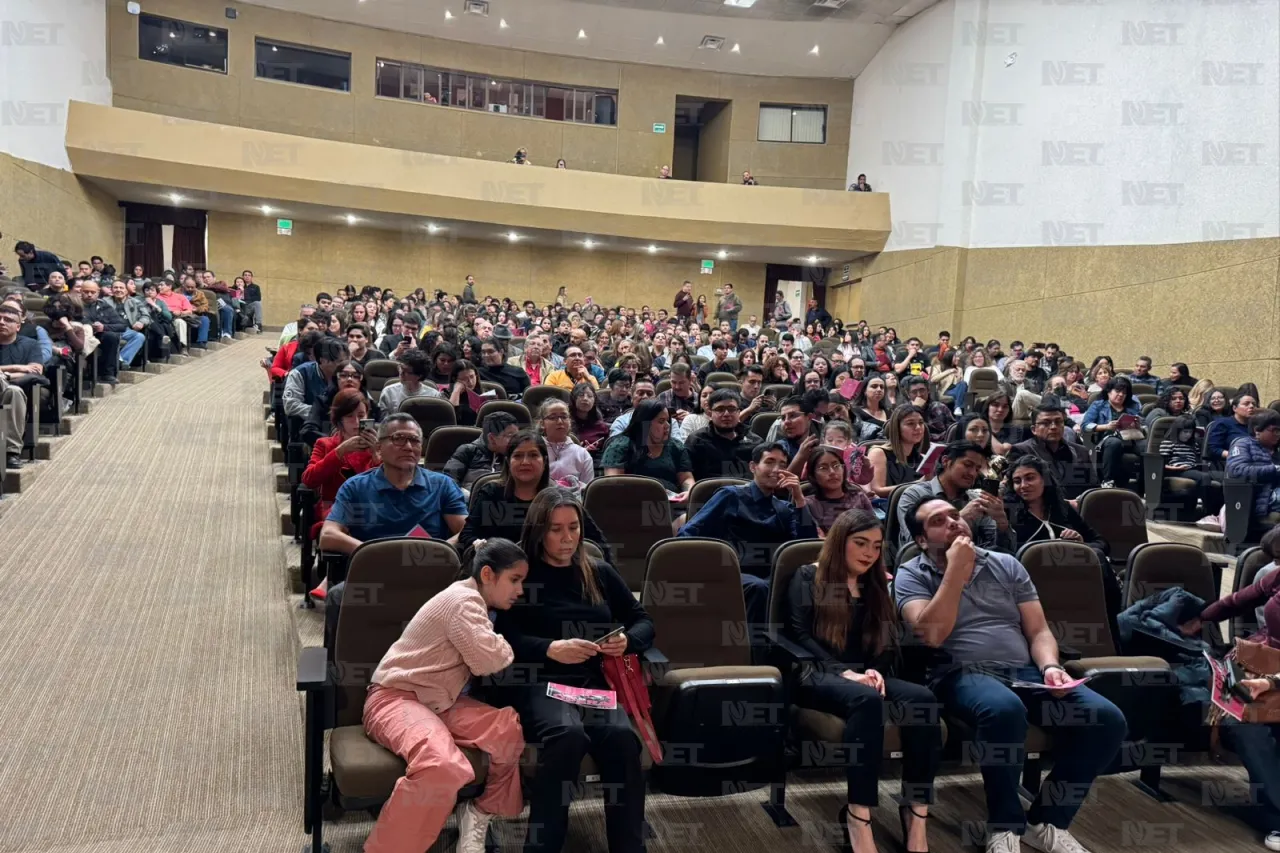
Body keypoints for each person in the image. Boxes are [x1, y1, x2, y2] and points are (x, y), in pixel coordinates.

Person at [896, 498, 1127, 853]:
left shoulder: (1006, 564)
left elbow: (1038, 631)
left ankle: (1047, 820)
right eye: (939, 521)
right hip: (958, 672)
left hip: (1025, 671)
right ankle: (1004, 824)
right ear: (922, 540)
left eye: (956, 516)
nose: (955, 523)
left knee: (1106, 719)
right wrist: (956, 571)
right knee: (1003, 709)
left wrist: (1050, 666)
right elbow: (931, 635)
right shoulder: (912, 573)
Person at [491, 489, 653, 853]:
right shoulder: (521, 575)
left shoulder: (596, 570)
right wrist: (549, 648)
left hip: (592, 682)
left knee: (623, 739)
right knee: (567, 734)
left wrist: (627, 641)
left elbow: (642, 620)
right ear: (538, 531)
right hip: (537, 679)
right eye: (556, 530)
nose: (567, 539)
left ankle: (629, 847)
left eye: (574, 528)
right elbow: (500, 636)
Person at [785, 510, 942, 853]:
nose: (869, 553)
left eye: (875, 546)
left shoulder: (875, 584)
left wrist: (876, 669)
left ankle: (916, 813)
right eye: (860, 543)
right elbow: (797, 634)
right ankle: (859, 815)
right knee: (866, 699)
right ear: (839, 542)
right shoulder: (807, 576)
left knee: (923, 700)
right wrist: (844, 672)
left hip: (862, 674)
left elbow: (884, 637)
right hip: (817, 672)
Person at [362, 538, 527, 853]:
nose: (519, 590)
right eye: (514, 580)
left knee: (506, 729)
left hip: (438, 702)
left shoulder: (475, 601)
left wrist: (496, 643)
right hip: (395, 699)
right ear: (489, 575)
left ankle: (477, 814)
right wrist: (503, 644)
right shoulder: (463, 601)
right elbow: (489, 662)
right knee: (444, 766)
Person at [679, 442, 816, 624]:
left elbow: (806, 546)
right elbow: (688, 533)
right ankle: (755, 650)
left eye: (782, 465)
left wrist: (799, 499)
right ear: (753, 467)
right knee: (761, 588)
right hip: (732, 572)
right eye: (769, 462)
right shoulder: (731, 496)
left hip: (771, 575)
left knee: (805, 584)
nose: (776, 469)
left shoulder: (784, 508)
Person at [896, 440, 1013, 556]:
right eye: (967, 465)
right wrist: (961, 518)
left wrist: (1002, 524)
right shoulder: (913, 495)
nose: (973, 473)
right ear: (946, 461)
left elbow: (1000, 550)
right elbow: (913, 547)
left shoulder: (975, 499)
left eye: (977, 469)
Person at [601, 399, 693, 496]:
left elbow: (686, 478)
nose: (667, 426)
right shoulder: (619, 445)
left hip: (670, 505)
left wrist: (689, 492)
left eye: (668, 421)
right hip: (630, 504)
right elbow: (613, 485)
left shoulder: (675, 446)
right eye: (661, 421)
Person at [1008, 403, 1097, 499]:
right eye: (1046, 423)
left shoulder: (1081, 451)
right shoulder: (1021, 451)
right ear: (1034, 429)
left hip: (1078, 508)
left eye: (1058, 422)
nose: (1053, 427)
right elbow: (1016, 491)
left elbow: (1093, 489)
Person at [0, 301, 42, 469]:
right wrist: (17, 367)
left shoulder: (30, 344)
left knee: (14, 392)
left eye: (8, 320)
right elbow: (26, 369)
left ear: (18, 326)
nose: (2, 322)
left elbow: (35, 371)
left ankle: (12, 452)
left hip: (13, 390)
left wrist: (6, 374)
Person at [684, 388, 761, 480]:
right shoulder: (696, 441)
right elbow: (686, 474)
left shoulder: (755, 442)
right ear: (710, 413)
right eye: (720, 409)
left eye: (732, 409)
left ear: (739, 412)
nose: (726, 414)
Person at [1226, 409, 1280, 530]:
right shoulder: (1243, 444)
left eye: (1279, 430)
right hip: (1261, 497)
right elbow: (1237, 470)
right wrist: (1275, 469)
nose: (1278, 434)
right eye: (1274, 430)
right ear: (1257, 430)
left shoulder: (1277, 450)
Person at [867, 405, 931, 500]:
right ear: (897, 428)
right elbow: (876, 490)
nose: (918, 427)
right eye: (910, 423)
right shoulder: (878, 453)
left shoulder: (923, 457)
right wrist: (918, 483)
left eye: (921, 423)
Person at [806, 446, 874, 533]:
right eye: (823, 468)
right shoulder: (809, 504)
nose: (832, 472)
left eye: (836, 466)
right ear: (813, 476)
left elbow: (874, 528)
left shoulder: (859, 497)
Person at [445, 411, 519, 490]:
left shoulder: (515, 456)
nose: (516, 440)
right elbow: (448, 485)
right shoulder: (467, 451)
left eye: (517, 435)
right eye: (510, 436)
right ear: (492, 438)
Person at [537, 398, 595, 488]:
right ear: (542, 423)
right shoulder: (535, 450)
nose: (560, 422)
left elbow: (587, 490)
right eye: (553, 417)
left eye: (564, 417)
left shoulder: (582, 454)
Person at [379, 350, 445, 413]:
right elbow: (384, 422)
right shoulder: (388, 392)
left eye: (406, 371)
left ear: (419, 376)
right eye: (401, 367)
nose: (401, 373)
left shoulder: (434, 396)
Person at [1209, 393, 1258, 464]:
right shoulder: (1223, 423)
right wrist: (1236, 455)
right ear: (1235, 408)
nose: (1251, 406)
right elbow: (1213, 449)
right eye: (1246, 404)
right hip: (1230, 464)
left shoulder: (1258, 426)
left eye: (1254, 404)